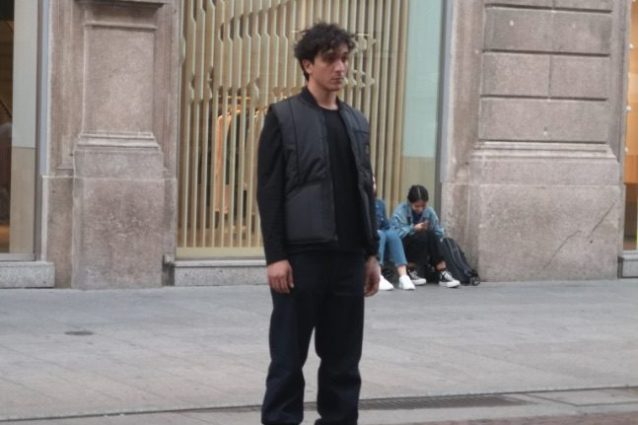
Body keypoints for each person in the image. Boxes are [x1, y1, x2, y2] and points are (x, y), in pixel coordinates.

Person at [256, 22, 379, 425]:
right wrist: (276, 256)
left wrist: (371, 253)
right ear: (308, 65)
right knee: (288, 359)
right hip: (301, 259)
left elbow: (364, 190)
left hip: (348, 259)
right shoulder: (283, 116)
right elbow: (269, 192)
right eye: (330, 59)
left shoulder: (356, 122)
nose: (340, 67)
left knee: (344, 361)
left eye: (345, 58)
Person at [391, 184, 460, 288]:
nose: (420, 209)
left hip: (424, 246)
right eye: (416, 206)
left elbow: (439, 232)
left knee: (431, 234)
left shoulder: (429, 211)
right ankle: (410, 270)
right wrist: (413, 228)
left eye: (423, 206)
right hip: (405, 246)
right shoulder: (401, 211)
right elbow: (395, 234)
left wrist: (429, 230)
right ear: (410, 202)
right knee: (419, 235)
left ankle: (442, 271)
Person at [374, 178, 426, 291]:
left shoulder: (379, 204)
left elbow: (386, 225)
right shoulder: (358, 203)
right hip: (365, 237)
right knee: (380, 234)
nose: (373, 186)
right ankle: (377, 275)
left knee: (392, 234)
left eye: (374, 183)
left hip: (378, 235)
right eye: (370, 183)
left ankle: (403, 276)